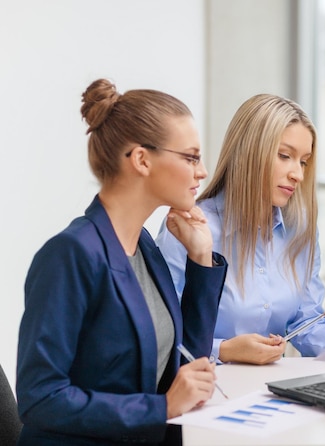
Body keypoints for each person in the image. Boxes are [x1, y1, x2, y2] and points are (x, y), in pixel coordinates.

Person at [16, 79, 227, 445]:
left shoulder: (144, 246)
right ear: (142, 159)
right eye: (191, 157)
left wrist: (201, 259)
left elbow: (187, 361)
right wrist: (161, 408)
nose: (202, 171)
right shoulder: (71, 254)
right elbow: (40, 398)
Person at [157, 93, 325, 365]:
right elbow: (162, 335)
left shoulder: (300, 229)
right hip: (206, 387)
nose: (298, 173)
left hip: (270, 391)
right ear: (249, 153)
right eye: (285, 156)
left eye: (303, 161)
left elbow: (308, 323)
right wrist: (223, 350)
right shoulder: (191, 229)